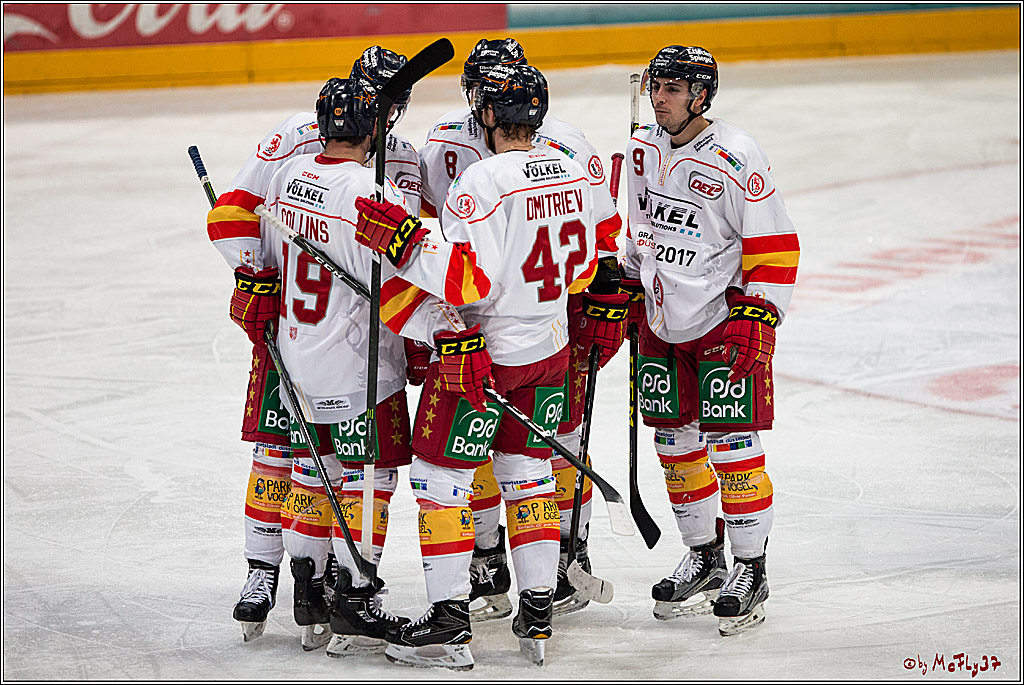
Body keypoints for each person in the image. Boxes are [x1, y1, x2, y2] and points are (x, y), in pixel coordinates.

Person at [353, 62, 622, 669]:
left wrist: (404, 245)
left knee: (440, 482)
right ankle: (537, 616)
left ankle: (449, 625)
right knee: (528, 478)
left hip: (485, 358)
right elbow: (582, 271)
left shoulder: (483, 178)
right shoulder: (575, 173)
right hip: (549, 354)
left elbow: (466, 281)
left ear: (489, 114)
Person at [205, 45, 423, 648]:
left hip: (350, 338)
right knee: (285, 454)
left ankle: (322, 579)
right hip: (294, 327)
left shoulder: (404, 157)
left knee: (317, 463)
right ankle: (263, 570)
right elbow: (231, 217)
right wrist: (256, 277)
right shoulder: (294, 141)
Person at [417, 37, 624, 620]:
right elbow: (594, 248)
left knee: (467, 460)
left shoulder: (521, 160)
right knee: (527, 459)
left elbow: (449, 258)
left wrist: (419, 293)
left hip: (482, 324)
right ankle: (502, 565)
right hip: (548, 324)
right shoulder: (557, 164)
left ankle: (561, 556)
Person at [622, 45, 800, 636]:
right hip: (660, 320)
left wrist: (761, 316)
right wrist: (626, 282)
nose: (659, 97)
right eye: (656, 86)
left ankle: (751, 567)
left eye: (672, 89)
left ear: (701, 95)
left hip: (724, 320)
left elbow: (774, 245)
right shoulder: (642, 146)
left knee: (732, 449)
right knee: (674, 445)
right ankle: (704, 556)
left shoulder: (735, 156)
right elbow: (638, 226)